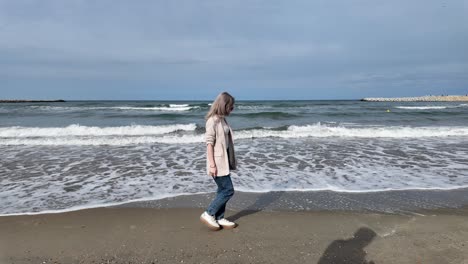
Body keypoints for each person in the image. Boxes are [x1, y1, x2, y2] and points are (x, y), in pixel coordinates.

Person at [200, 92, 238, 231]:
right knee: (228, 190)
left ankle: (219, 217)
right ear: (224, 105)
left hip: (224, 161)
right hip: (217, 163)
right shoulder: (213, 121)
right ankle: (209, 213)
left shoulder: (222, 119)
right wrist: (212, 165)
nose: (232, 110)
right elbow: (209, 144)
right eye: (231, 107)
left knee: (222, 190)